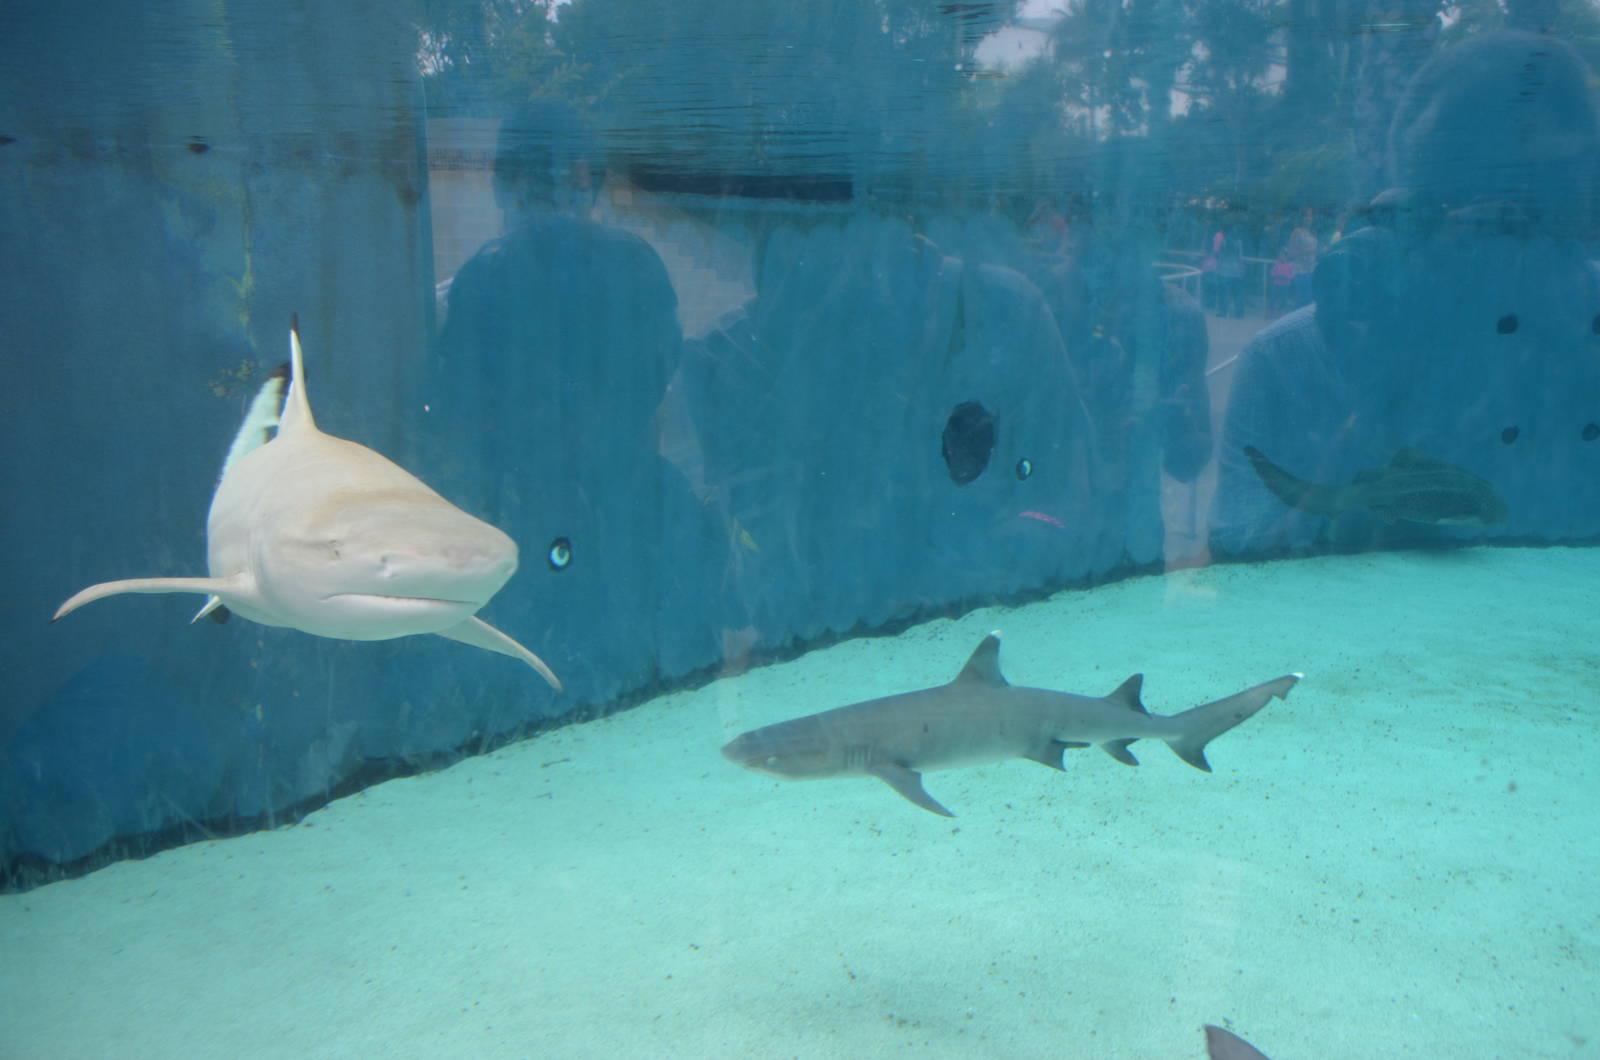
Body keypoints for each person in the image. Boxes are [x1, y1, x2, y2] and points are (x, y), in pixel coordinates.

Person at [1212, 31, 1600, 557]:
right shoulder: (1293, 360)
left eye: (1527, 218)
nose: (1501, 251)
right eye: (1471, 217)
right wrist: (1343, 485)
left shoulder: (1289, 355)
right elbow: (1245, 565)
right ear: (1405, 220)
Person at [1284, 207, 1318, 307]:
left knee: (1310, 299)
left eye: (1310, 216)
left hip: (1311, 269)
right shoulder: (1297, 232)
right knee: (1303, 299)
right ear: (1301, 218)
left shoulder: (1312, 233)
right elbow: (1291, 253)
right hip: (1300, 270)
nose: (1308, 218)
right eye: (1306, 216)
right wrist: (1307, 252)